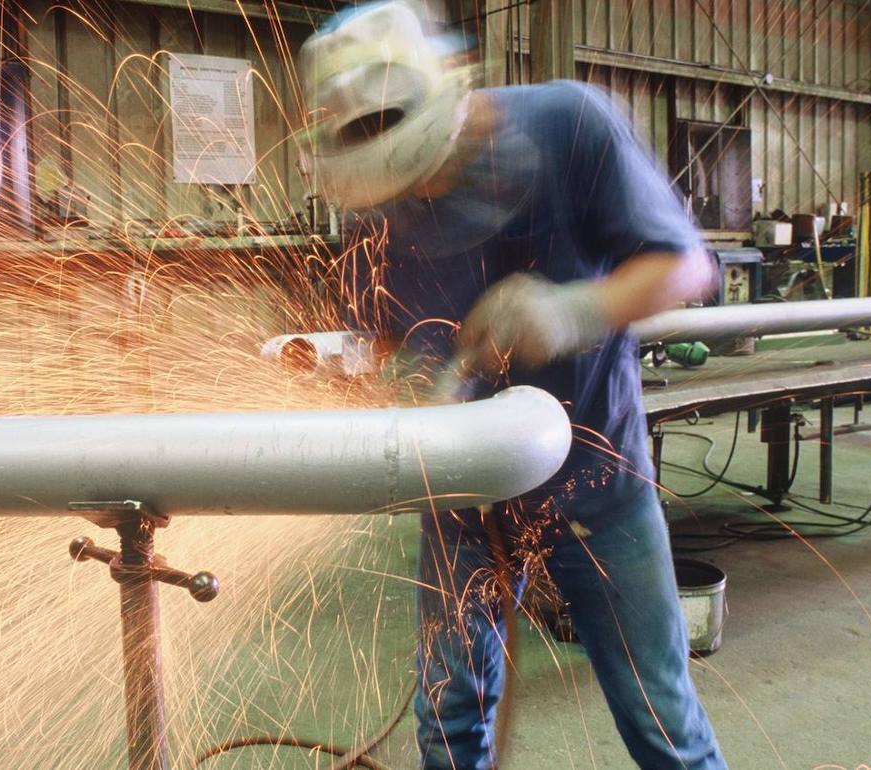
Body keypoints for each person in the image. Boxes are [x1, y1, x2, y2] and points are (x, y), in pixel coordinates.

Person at [298, 3, 728, 769]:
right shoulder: (376, 201)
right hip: (463, 501)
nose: (418, 197)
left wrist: (577, 308)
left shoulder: (572, 124)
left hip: (596, 488)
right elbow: (386, 328)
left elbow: (690, 266)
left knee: (664, 724)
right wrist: (404, 382)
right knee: (448, 720)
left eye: (426, 172)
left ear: (455, 98)